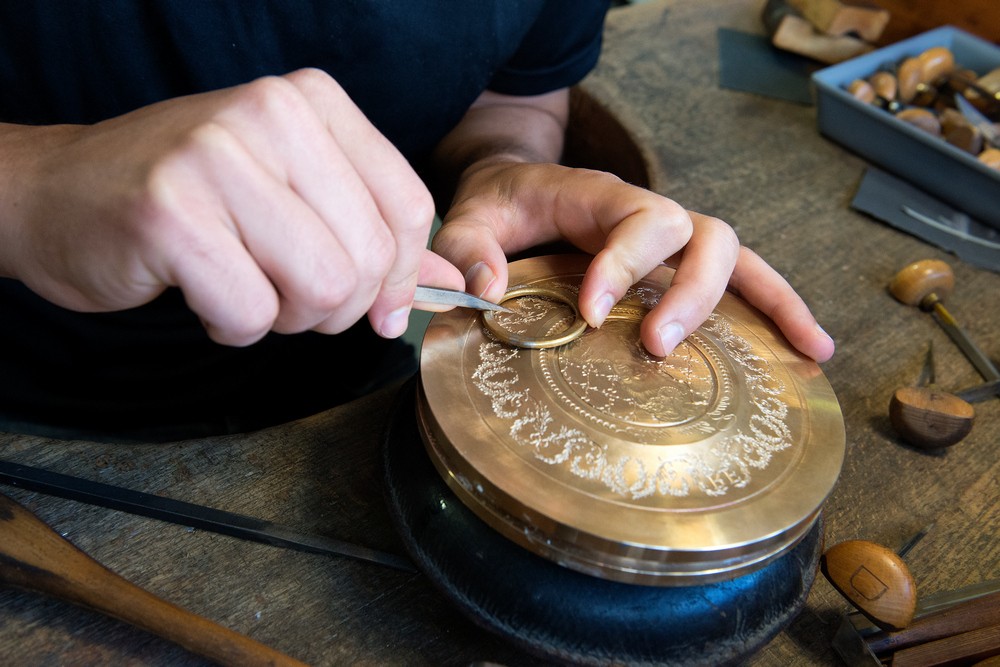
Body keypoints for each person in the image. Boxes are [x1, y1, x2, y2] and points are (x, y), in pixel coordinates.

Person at [0, 1, 833, 442]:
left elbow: (515, 89)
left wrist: (501, 166)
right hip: (37, 420)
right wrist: (31, 184)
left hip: (353, 395)